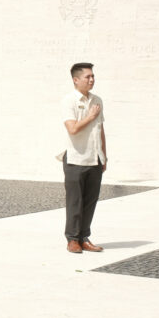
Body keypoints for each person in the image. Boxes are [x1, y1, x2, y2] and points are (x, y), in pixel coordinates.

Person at [59, 62, 107, 254]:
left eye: (93, 76)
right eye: (88, 77)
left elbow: (101, 129)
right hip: (75, 158)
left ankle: (84, 237)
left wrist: (104, 155)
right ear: (75, 80)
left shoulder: (97, 100)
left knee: (90, 201)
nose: (92, 79)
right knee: (75, 202)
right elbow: (72, 128)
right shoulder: (68, 101)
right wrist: (90, 116)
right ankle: (72, 239)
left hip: (95, 158)